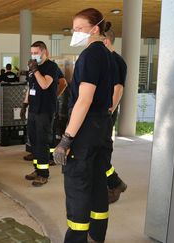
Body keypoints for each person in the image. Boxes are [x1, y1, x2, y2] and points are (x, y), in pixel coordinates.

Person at [53, 8, 114, 243]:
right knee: (98, 183)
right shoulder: (108, 55)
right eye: (73, 28)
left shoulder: (89, 56)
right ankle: (97, 237)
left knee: (78, 186)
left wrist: (67, 138)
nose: (74, 32)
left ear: (95, 28)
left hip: (85, 130)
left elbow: (84, 99)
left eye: (79, 28)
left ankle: (76, 239)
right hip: (102, 128)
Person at [20, 41, 66, 187]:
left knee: (42, 141)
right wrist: (24, 104)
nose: (33, 56)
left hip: (45, 110)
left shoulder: (50, 67)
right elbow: (30, 86)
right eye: (32, 53)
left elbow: (45, 84)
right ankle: (37, 169)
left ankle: (43, 174)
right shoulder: (35, 68)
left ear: (44, 52)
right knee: (33, 141)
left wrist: (36, 70)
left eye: (36, 53)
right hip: (33, 109)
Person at [103, 25, 128, 204]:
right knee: (98, 151)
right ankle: (114, 182)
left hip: (105, 112)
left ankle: (115, 184)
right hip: (100, 112)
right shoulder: (105, 59)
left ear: (105, 41)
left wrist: (110, 109)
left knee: (101, 150)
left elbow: (118, 88)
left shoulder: (116, 61)